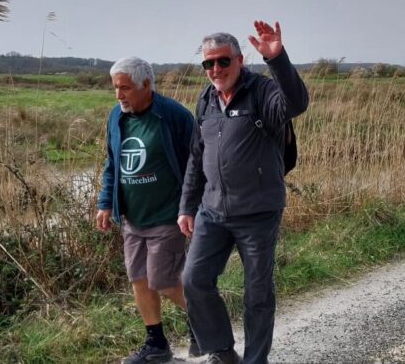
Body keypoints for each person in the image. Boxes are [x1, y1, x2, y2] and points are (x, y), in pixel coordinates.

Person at [178, 21, 309, 364]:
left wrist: (276, 58)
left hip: (258, 213)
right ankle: (222, 351)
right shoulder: (205, 99)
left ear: (239, 60)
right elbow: (196, 157)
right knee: (193, 280)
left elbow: (296, 103)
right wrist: (186, 206)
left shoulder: (262, 91)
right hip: (212, 211)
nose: (216, 69)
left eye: (223, 61)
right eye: (208, 63)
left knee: (257, 294)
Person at [95, 56, 199, 364]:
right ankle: (156, 345)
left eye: (125, 88)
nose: (119, 95)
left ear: (146, 84)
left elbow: (196, 163)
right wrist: (105, 202)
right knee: (139, 278)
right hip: (132, 217)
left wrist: (191, 206)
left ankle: (207, 324)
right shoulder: (117, 116)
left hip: (167, 215)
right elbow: (112, 162)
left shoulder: (174, 115)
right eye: (115, 88)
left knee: (164, 281)